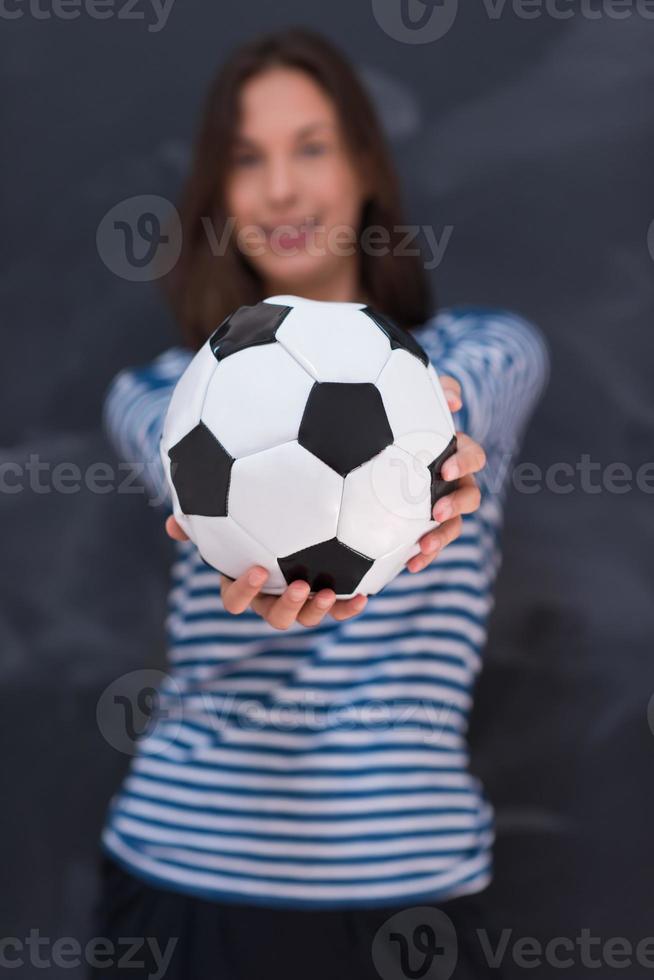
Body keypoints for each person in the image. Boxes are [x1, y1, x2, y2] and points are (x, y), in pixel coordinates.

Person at [92, 27, 550, 980]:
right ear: (219, 194)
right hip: (186, 881)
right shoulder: (160, 394)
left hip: (409, 898)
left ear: (365, 169)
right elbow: (159, 446)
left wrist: (429, 448)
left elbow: (476, 388)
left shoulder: (480, 351)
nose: (283, 190)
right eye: (247, 159)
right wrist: (263, 573)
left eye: (312, 147)